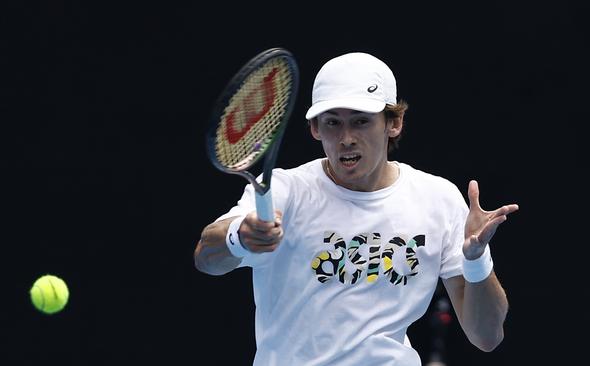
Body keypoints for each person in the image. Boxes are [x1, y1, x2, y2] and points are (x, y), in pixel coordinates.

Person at [194, 52, 519, 366]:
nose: (346, 138)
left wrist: (478, 261)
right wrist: (238, 236)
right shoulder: (285, 190)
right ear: (315, 129)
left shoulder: (439, 198)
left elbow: (486, 336)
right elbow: (207, 258)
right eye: (333, 123)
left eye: (361, 121)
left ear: (394, 123)